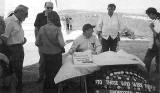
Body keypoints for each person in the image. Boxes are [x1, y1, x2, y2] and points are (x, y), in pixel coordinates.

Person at [0, 4, 28, 93]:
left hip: (18, 49)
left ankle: (18, 89)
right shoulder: (10, 21)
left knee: (18, 72)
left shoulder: (18, 21)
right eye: (25, 14)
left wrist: (21, 40)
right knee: (13, 73)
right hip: (12, 50)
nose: (27, 16)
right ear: (19, 12)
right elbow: (3, 38)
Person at [35, 11, 65, 93]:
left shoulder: (42, 28)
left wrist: (44, 43)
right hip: (56, 55)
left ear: (48, 18)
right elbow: (62, 44)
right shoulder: (57, 29)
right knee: (56, 74)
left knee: (48, 74)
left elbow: (37, 43)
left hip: (46, 54)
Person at [34, 1, 61, 83]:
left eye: (51, 8)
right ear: (44, 7)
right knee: (42, 60)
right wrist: (37, 40)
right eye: (48, 7)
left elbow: (59, 28)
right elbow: (36, 28)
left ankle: (53, 76)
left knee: (53, 60)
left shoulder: (55, 15)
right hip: (42, 43)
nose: (49, 9)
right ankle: (41, 76)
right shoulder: (40, 16)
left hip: (53, 43)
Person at [143, 7, 160, 73]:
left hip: (155, 44)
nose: (149, 17)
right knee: (158, 59)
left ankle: (145, 73)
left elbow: (156, 33)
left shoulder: (157, 20)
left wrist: (151, 27)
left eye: (149, 15)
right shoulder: (158, 18)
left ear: (152, 14)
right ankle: (157, 71)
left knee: (147, 59)